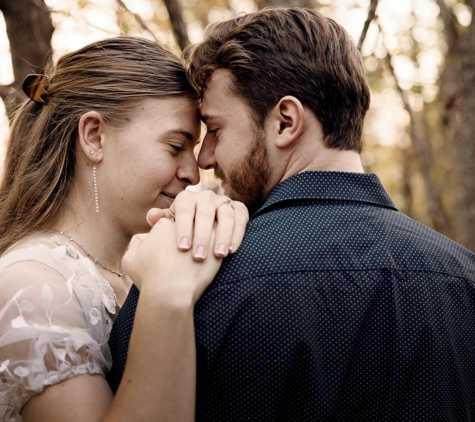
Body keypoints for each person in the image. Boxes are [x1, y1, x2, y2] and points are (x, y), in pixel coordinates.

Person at [108, 7, 475, 421]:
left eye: (215, 129)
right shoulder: (465, 278)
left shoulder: (186, 278)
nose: (205, 159)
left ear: (285, 121)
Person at [0, 36, 249, 422]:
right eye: (174, 146)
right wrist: (167, 297)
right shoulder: (32, 285)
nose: (193, 173)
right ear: (94, 136)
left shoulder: (138, 266)